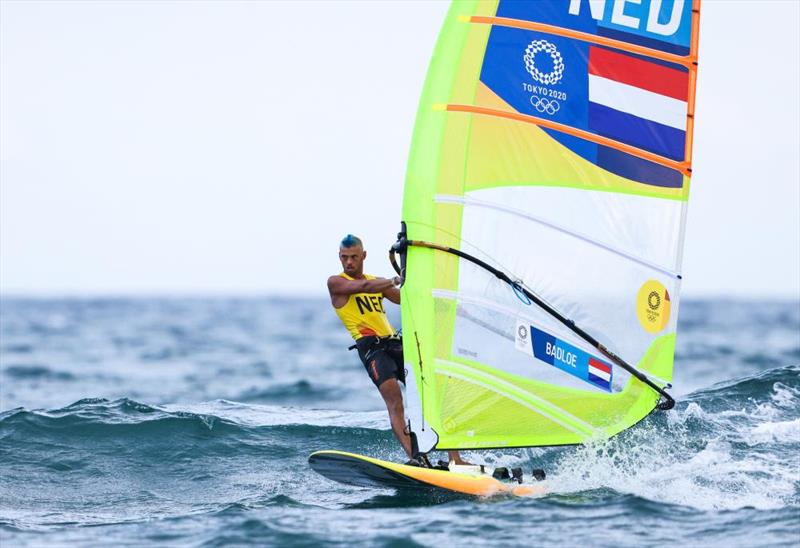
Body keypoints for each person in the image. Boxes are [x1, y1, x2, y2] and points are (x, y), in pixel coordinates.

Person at [328, 234, 467, 467]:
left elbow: (406, 299)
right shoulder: (336, 283)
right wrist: (394, 278)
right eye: (344, 257)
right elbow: (363, 286)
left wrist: (440, 301)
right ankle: (417, 458)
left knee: (432, 395)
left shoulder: (377, 281)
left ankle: (456, 459)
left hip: (395, 344)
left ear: (363, 256)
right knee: (395, 401)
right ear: (339, 258)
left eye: (354, 257)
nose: (349, 262)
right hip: (372, 349)